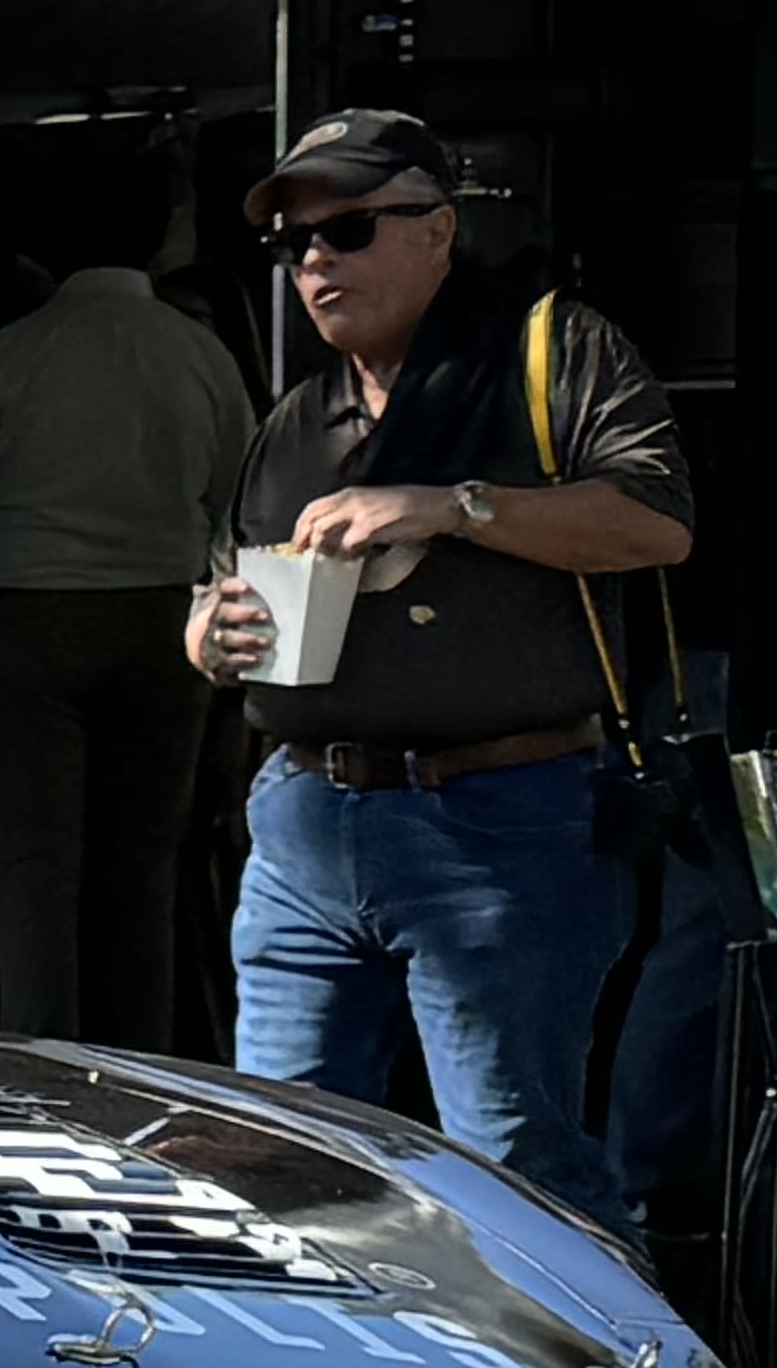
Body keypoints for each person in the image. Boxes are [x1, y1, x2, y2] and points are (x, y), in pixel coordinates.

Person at [187, 109, 694, 1235]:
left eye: (349, 229)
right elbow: (216, 588)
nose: (316, 262)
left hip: (501, 820)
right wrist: (212, 635)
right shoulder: (301, 411)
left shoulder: (550, 352)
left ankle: (589, 1349)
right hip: (305, 821)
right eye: (295, 243)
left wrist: (454, 507)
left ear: (438, 229)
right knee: (279, 1162)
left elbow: (657, 525)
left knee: (512, 1166)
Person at [0, 139, 256, 1044]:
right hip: (166, 625)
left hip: (20, 622)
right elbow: (242, 502)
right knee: (144, 874)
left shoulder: (9, 353)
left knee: (29, 879)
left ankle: (41, 1066)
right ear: (160, 234)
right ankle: (143, 1068)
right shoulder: (200, 355)